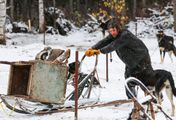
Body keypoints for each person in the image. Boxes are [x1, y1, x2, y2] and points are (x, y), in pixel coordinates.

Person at [85, 18, 155, 98]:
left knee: (146, 80)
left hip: (141, 59)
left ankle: (154, 99)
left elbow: (113, 46)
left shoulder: (125, 35)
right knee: (129, 81)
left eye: (114, 30)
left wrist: (98, 51)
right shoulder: (114, 35)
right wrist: (93, 48)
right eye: (110, 31)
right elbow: (105, 41)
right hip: (131, 62)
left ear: (118, 28)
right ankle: (133, 100)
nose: (112, 33)